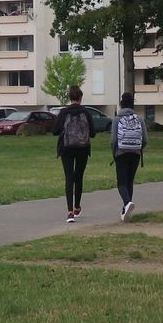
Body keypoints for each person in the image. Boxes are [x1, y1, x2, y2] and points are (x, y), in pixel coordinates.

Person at [53, 84, 96, 223]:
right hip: (83, 148)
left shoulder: (64, 112)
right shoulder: (86, 112)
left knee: (69, 178)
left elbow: (54, 131)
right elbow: (93, 133)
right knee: (79, 177)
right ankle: (77, 206)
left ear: (70, 97)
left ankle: (70, 212)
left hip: (66, 148)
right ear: (80, 97)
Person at [111, 91, 146, 221]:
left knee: (121, 183)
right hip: (135, 153)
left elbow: (114, 140)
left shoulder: (117, 119)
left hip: (121, 153)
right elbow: (145, 139)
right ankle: (126, 211)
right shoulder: (140, 119)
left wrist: (114, 152)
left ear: (121, 104)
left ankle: (127, 204)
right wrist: (138, 148)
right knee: (129, 182)